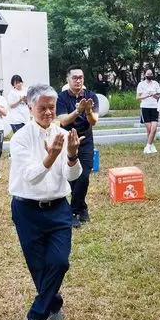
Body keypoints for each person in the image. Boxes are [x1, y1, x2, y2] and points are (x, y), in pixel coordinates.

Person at [9, 83, 81, 320]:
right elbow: (31, 177)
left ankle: (36, 314)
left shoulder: (60, 133)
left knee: (59, 262)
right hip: (27, 209)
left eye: (52, 107)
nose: (49, 112)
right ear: (30, 108)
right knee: (39, 266)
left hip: (59, 207)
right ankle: (53, 303)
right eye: (43, 108)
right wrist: (51, 157)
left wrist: (71, 155)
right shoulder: (20, 139)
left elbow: (71, 174)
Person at [56, 65, 98, 228]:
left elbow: (94, 121)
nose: (78, 80)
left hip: (86, 140)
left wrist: (87, 111)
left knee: (84, 175)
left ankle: (74, 209)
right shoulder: (61, 98)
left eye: (81, 77)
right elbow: (64, 120)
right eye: (74, 77)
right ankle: (80, 208)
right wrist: (78, 111)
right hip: (68, 139)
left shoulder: (90, 96)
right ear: (68, 79)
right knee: (72, 176)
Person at [137, 68, 160, 154]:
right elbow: (138, 97)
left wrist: (153, 94)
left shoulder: (155, 83)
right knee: (149, 129)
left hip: (154, 107)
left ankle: (148, 145)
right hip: (145, 107)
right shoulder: (141, 84)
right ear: (145, 75)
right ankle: (151, 144)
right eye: (148, 74)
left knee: (154, 128)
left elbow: (159, 96)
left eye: (151, 74)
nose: (149, 75)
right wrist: (146, 95)